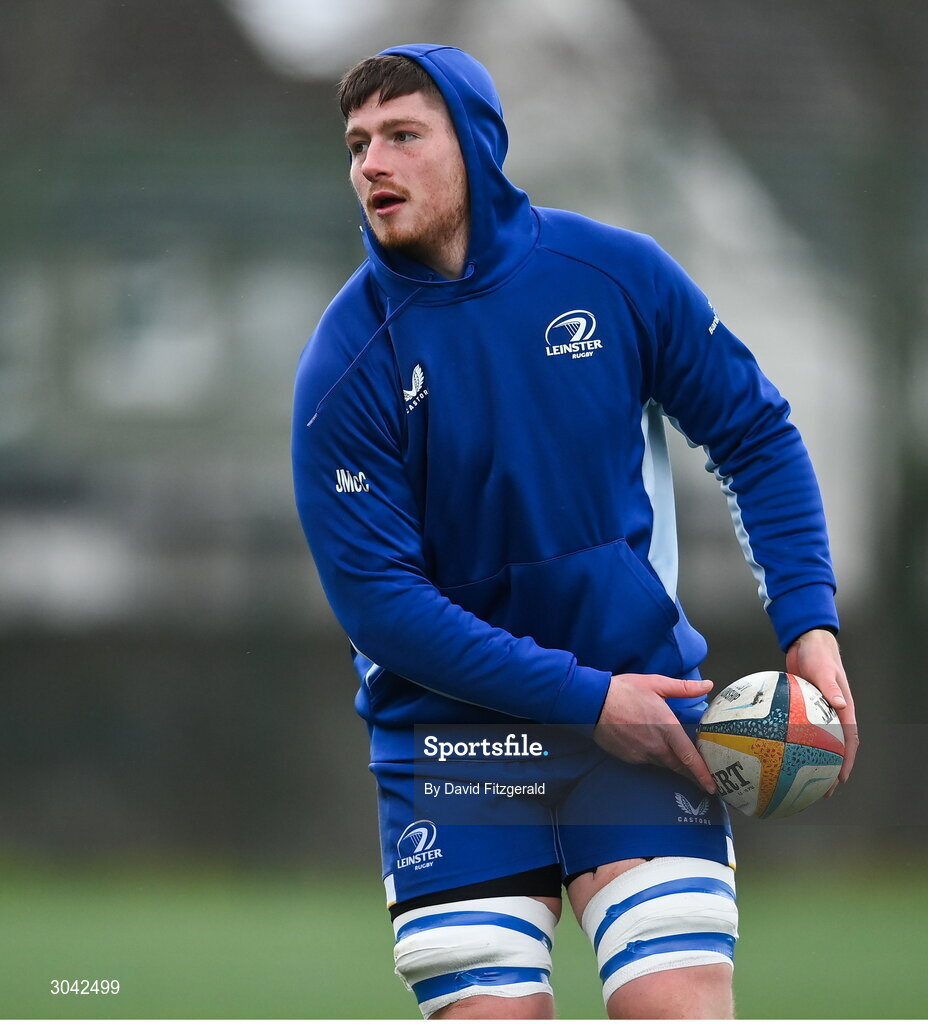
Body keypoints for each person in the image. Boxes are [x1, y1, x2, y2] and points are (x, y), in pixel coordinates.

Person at [291, 44, 858, 1020]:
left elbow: (754, 434)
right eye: (355, 145)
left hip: (643, 728)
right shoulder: (344, 367)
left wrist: (810, 624)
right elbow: (382, 608)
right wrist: (588, 697)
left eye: (400, 136)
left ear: (475, 144)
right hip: (454, 747)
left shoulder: (617, 275)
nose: (370, 165)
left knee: (674, 1006)